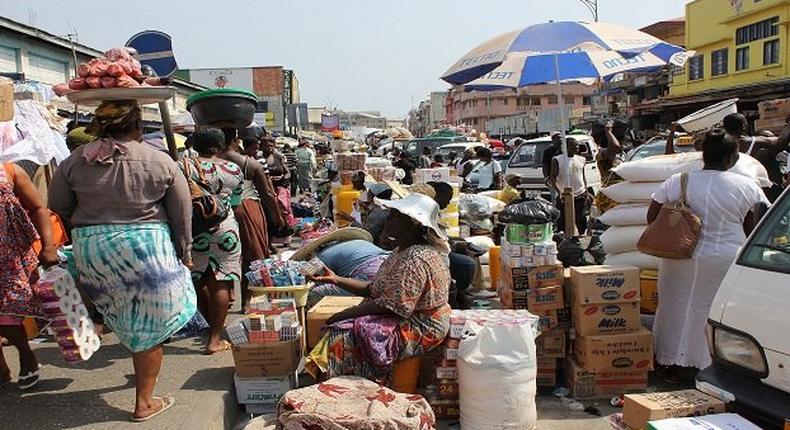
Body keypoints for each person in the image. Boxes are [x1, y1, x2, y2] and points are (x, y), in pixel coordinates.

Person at [49, 101, 196, 421]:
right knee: (150, 329)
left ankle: (107, 340)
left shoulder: (75, 161)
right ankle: (144, 401)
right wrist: (184, 252)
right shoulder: (161, 161)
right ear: (138, 126)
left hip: (93, 249)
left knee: (121, 313)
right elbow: (182, 215)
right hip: (146, 247)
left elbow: (58, 204)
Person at [648, 129, 769, 382]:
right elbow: (754, 227)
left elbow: (652, 217)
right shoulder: (748, 186)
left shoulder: (677, 181)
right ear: (731, 158)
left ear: (703, 155)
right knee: (711, 313)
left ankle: (669, 363)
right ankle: (707, 366)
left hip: (678, 256)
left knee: (673, 307)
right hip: (723, 258)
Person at [306, 193, 451, 383]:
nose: (388, 220)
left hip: (422, 325)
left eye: (394, 216)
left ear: (412, 223)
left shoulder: (415, 258)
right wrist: (335, 279)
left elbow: (392, 305)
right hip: (404, 313)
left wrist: (347, 313)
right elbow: (372, 288)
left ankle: (356, 391)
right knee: (340, 328)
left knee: (342, 337)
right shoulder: (401, 251)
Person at [182, 127, 243, 355]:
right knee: (222, 281)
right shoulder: (233, 169)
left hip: (194, 228)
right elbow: (236, 204)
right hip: (225, 228)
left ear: (195, 144)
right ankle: (214, 338)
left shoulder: (183, 166)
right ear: (219, 145)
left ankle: (208, 325)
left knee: (199, 278)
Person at [0, 162, 58, 390]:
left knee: (7, 311)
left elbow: (37, 208)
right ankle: (2, 370)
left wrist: (48, 246)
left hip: (10, 255)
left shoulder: (9, 171)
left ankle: (26, 354)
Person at [221, 131, 285, 310]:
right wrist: (277, 217)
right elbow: (267, 194)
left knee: (223, 257)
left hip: (219, 213)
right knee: (251, 258)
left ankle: (228, 296)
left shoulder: (210, 161)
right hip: (246, 209)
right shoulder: (249, 163)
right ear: (235, 140)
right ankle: (247, 301)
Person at [427, 181, 478, 309]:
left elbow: (441, 235)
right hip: (435, 253)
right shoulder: (427, 213)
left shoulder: (436, 212)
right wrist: (454, 245)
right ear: (438, 195)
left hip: (441, 250)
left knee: (468, 253)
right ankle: (456, 293)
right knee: (467, 264)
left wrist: (456, 240)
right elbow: (433, 240)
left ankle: (462, 291)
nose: (449, 203)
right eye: (447, 198)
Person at [723, 113, 790, 202]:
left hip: (737, 191)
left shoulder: (722, 146)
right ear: (744, 126)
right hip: (759, 189)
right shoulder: (750, 142)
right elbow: (780, 142)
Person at [308, 239, 391, 307]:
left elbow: (311, 276)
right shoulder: (361, 242)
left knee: (315, 293)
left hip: (368, 273)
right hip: (389, 266)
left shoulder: (324, 254)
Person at [550, 137, 589, 235]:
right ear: (565, 147)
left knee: (580, 219)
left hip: (580, 193)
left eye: (576, 145)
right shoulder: (557, 160)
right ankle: (563, 240)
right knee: (562, 220)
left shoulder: (581, 159)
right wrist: (559, 192)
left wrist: (587, 191)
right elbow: (553, 177)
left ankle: (580, 238)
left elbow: (583, 176)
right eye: (573, 145)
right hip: (564, 195)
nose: (576, 147)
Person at [261, 136, 296, 229]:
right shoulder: (259, 159)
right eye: (266, 146)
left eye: (271, 146)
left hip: (280, 189)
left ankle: (286, 235)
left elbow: (288, 172)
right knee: (269, 213)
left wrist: (282, 178)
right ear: (262, 147)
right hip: (266, 191)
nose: (269, 148)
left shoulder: (279, 157)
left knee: (284, 211)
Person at [542, 132, 564, 201]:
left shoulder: (566, 151)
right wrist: (546, 177)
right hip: (553, 178)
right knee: (555, 197)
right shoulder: (548, 151)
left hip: (565, 177)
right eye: (557, 138)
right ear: (553, 140)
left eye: (561, 138)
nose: (560, 139)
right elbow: (545, 165)